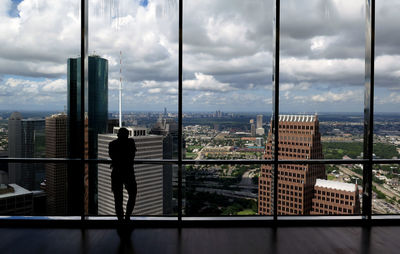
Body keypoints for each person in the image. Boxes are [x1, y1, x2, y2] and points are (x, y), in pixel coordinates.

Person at [109, 127, 137, 222]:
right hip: (128, 172)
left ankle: (120, 219)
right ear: (127, 135)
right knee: (132, 194)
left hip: (116, 172)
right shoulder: (131, 142)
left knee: (118, 198)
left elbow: (113, 157)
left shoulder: (112, 144)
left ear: (117, 135)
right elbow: (132, 156)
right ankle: (127, 216)